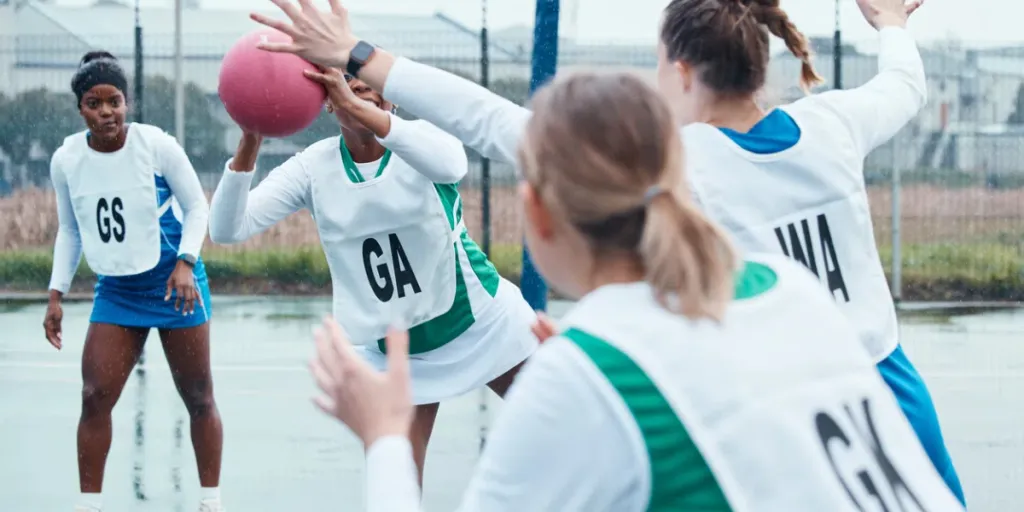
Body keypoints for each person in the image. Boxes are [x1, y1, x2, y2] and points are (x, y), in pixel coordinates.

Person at [250, 0, 966, 505]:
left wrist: (361, 58)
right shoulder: (818, 186)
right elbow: (903, 84)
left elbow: (498, 121)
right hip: (883, 391)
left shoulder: (685, 164)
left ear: (682, 76)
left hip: (755, 394)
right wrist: (894, 25)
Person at [206, 67, 538, 483]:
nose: (359, 98)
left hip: (482, 322)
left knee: (566, 424)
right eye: (346, 91)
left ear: (392, 98)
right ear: (328, 102)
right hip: (399, 348)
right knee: (395, 482)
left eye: (369, 91)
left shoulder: (421, 142)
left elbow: (453, 164)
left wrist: (374, 117)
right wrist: (250, 140)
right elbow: (227, 230)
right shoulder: (313, 167)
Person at [44, 51, 224, 512]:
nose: (106, 112)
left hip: (174, 283)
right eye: (93, 103)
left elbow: (198, 207)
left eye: (114, 101)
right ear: (80, 108)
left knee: (199, 396)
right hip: (118, 290)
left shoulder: (156, 145)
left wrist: (186, 261)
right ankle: (90, 505)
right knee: (93, 397)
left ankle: (210, 501)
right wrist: (56, 294)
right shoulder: (66, 159)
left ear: (127, 103)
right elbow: (70, 230)